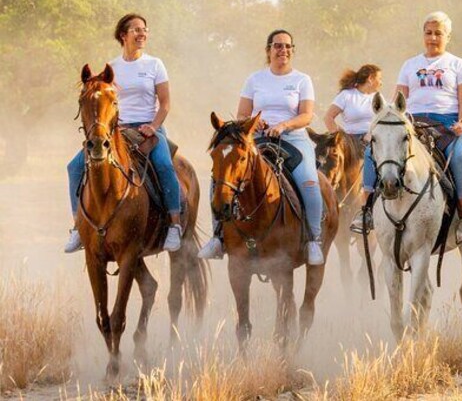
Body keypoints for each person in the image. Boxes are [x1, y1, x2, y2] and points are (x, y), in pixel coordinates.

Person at [197, 29, 325, 265]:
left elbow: (307, 115)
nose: (283, 50)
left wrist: (284, 125)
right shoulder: (255, 79)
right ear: (268, 50)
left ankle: (313, 240)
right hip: (256, 138)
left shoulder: (301, 80)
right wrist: (255, 121)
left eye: (288, 46)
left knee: (309, 181)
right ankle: (219, 237)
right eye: (277, 45)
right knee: (220, 178)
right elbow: (242, 113)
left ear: (292, 51)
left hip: (293, 139)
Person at [350, 11, 462, 244]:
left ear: (448, 36)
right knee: (372, 152)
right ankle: (366, 212)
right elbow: (397, 99)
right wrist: (378, 126)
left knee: (460, 157)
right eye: (428, 32)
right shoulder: (410, 65)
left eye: (439, 33)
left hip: (448, 123)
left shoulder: (457, 64)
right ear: (423, 35)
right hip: (412, 122)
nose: (433, 38)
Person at [65, 13, 183, 253]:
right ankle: (79, 227)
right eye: (136, 30)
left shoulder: (154, 64)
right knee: (75, 166)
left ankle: (174, 225)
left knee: (163, 165)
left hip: (149, 128)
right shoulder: (112, 68)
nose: (142, 34)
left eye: (144, 30)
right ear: (123, 35)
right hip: (117, 131)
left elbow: (165, 103)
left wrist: (153, 126)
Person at [323, 64, 382, 139]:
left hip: (375, 138)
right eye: (379, 78)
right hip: (352, 141)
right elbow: (328, 117)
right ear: (370, 78)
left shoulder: (378, 96)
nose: (381, 83)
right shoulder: (346, 95)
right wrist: (340, 138)